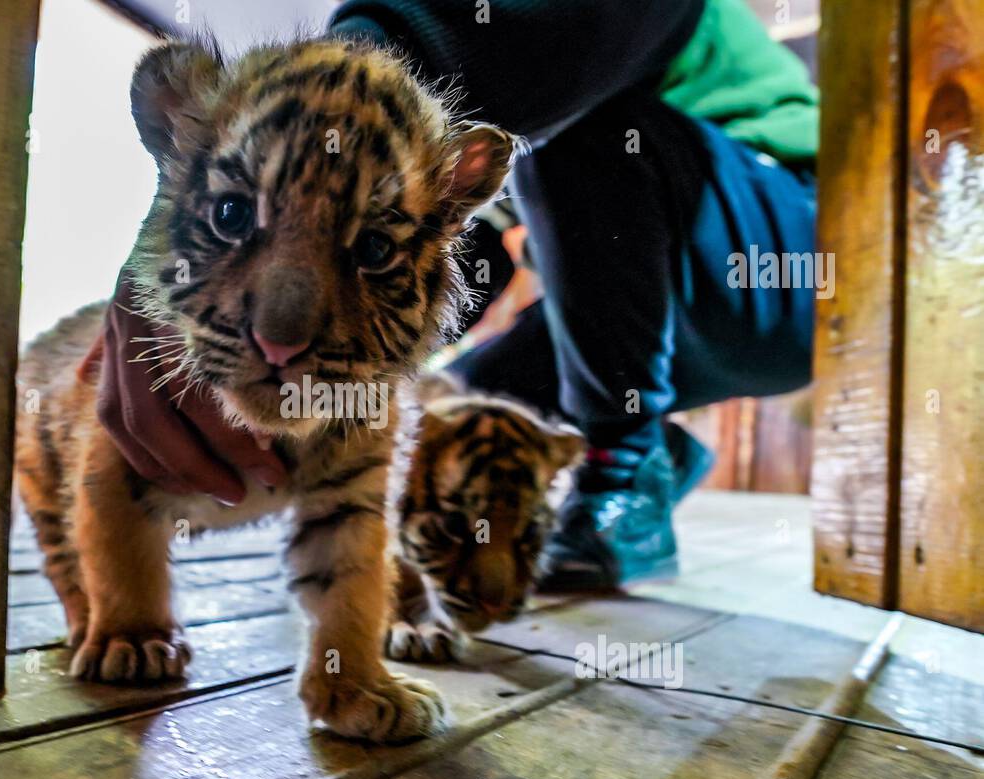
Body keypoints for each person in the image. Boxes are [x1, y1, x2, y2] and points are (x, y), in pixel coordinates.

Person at [95, 0, 819, 590]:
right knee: (455, 413)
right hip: (664, 311)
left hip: (793, 258)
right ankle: (650, 439)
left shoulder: (559, 67)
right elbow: (462, 265)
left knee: (591, 131)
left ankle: (620, 462)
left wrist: (358, 75)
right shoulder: (515, 108)